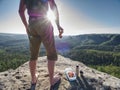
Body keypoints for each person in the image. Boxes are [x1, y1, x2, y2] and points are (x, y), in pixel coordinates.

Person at [18, 0, 63, 89]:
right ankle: (52, 80)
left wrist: (26, 26)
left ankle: (33, 79)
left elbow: (20, 11)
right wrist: (58, 25)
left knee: (33, 54)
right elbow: (53, 6)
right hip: (44, 22)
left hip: (32, 23)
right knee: (51, 52)